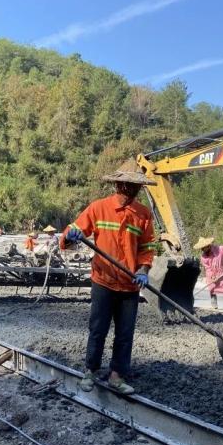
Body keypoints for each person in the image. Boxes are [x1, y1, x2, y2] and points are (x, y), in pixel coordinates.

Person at [61, 158, 157, 395]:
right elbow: (74, 231)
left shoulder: (143, 215)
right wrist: (70, 235)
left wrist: (143, 271)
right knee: (98, 329)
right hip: (103, 281)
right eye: (127, 186)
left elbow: (147, 249)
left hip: (130, 285)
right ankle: (90, 371)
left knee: (125, 333)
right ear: (118, 185)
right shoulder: (99, 208)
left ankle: (117, 376)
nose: (130, 190)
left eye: (135, 187)